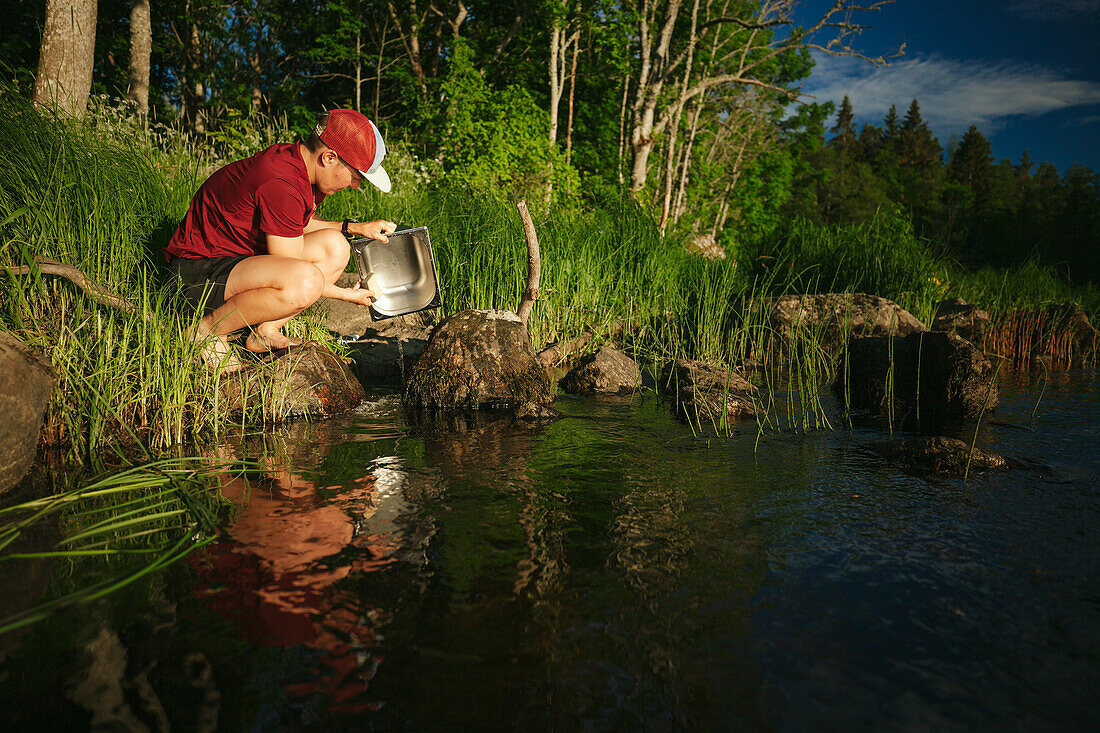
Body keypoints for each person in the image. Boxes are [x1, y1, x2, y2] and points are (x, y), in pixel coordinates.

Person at [164, 108, 398, 372]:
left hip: (235, 265)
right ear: (329, 157)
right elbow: (296, 273)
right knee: (305, 280)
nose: (355, 186)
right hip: (195, 276)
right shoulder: (281, 180)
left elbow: (292, 222)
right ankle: (207, 329)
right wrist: (344, 295)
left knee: (335, 246)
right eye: (356, 177)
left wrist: (353, 227)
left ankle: (265, 331)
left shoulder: (302, 167)